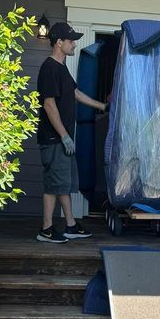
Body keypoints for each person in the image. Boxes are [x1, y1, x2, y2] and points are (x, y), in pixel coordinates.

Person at [36, 22, 108, 243]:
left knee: (63, 184)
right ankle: (46, 230)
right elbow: (49, 105)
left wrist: (102, 106)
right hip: (54, 139)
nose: (74, 44)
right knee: (53, 185)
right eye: (71, 40)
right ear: (59, 43)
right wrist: (64, 135)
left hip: (62, 139)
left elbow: (75, 93)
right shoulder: (49, 68)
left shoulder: (61, 68)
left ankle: (70, 225)